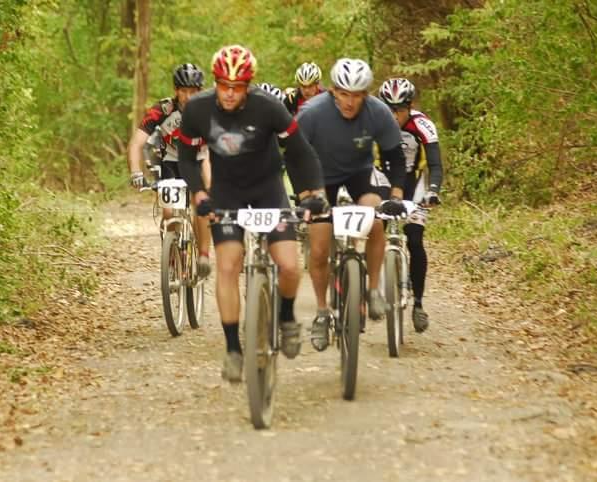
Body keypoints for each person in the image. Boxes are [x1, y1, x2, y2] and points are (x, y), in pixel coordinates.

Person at [177, 45, 328, 382]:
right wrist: (200, 193)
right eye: (223, 85)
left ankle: (286, 316)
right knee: (228, 266)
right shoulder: (198, 109)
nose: (230, 94)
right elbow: (187, 158)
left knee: (289, 265)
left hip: (267, 190)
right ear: (215, 82)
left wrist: (311, 194)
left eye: (238, 86)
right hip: (227, 192)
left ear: (249, 85)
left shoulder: (268, 107)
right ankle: (233, 348)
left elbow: (300, 152)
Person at [296, 58, 407, 352]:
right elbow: (294, 156)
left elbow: (395, 157)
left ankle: (371, 291)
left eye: (357, 95)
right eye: (344, 94)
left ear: (366, 95)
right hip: (320, 176)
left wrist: (395, 196)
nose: (350, 101)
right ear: (333, 91)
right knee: (318, 247)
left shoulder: (379, 113)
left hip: (360, 173)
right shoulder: (312, 113)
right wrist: (305, 195)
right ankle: (322, 312)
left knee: (376, 219)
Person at [128, 63, 212, 277]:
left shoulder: (208, 110)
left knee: (201, 201)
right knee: (168, 211)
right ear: (176, 91)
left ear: (200, 91)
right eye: (183, 91)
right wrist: (136, 172)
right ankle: (174, 252)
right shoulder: (163, 109)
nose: (188, 96)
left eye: (193, 91)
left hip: (199, 158)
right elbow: (136, 143)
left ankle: (203, 255)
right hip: (171, 161)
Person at [377, 78, 443, 333]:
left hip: (415, 183)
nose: (394, 116)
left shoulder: (423, 124)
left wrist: (434, 191)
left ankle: (418, 303)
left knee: (415, 239)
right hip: (383, 179)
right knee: (374, 229)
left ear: (410, 106)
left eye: (400, 110)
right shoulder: (373, 123)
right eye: (389, 109)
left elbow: (436, 164)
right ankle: (367, 291)